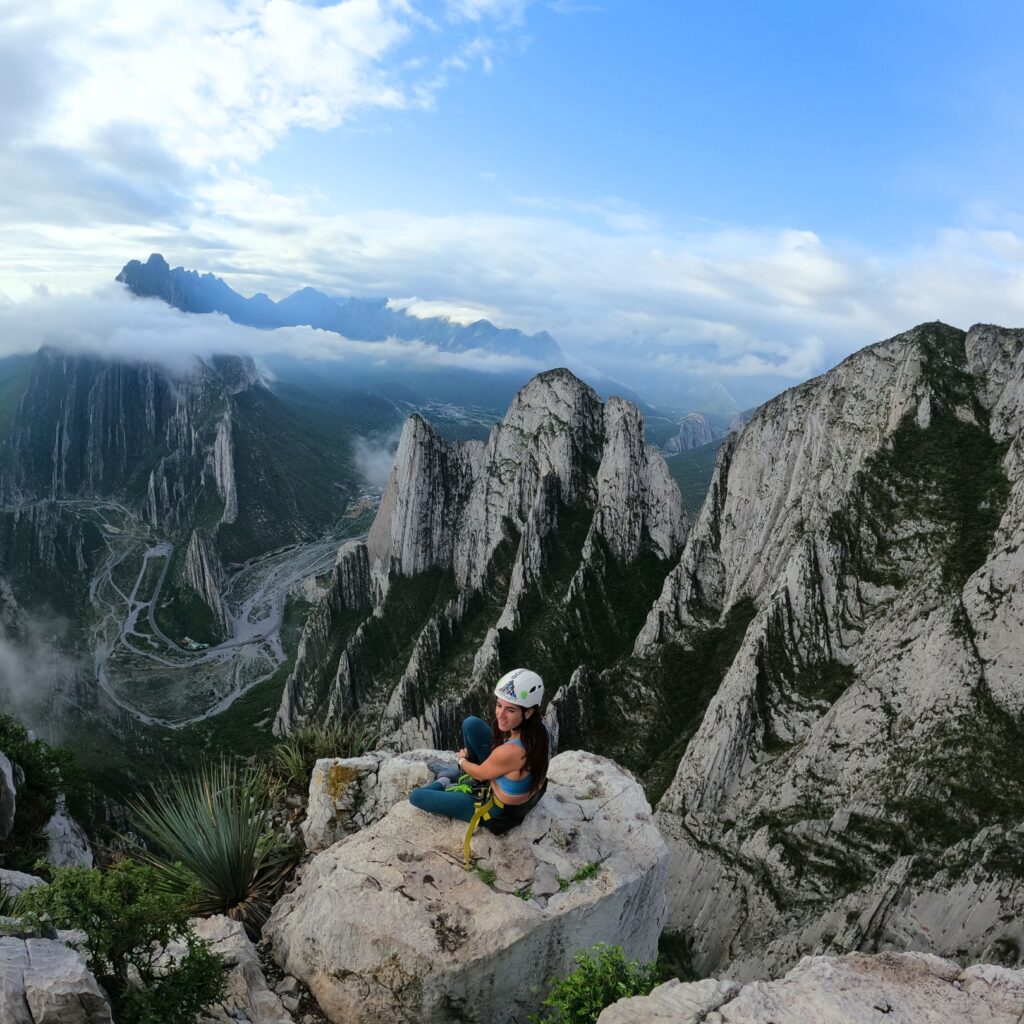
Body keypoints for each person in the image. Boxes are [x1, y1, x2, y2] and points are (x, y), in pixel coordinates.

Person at [409, 668, 549, 824]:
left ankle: (446, 777)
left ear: (528, 713)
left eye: (510, 710)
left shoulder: (510, 752)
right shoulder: (539, 731)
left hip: (497, 810)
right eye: (499, 705)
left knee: (416, 796)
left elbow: (481, 774)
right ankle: (464, 773)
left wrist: (462, 761)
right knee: (471, 724)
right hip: (516, 789)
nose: (500, 715)